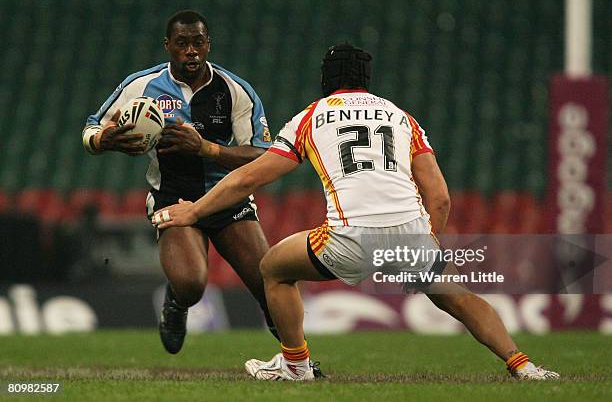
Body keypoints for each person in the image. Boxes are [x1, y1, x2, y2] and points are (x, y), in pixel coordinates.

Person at [152, 43, 559, 381]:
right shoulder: (402, 118)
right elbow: (440, 197)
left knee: (274, 268)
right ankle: (523, 366)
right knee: (459, 298)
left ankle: (295, 364)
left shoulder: (310, 117)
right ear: (367, 79)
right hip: (411, 231)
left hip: (351, 236)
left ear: (327, 79)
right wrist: (425, 245)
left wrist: (194, 212)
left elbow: (247, 180)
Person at [82, 10, 280, 357]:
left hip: (227, 199)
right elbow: (91, 129)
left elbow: (263, 156)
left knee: (270, 288)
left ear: (208, 44)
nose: (191, 51)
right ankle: (177, 302)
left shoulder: (234, 90)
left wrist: (206, 148)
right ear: (168, 46)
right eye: (182, 43)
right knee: (190, 284)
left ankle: (300, 361)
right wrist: (105, 141)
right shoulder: (140, 85)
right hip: (172, 198)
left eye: (198, 43)